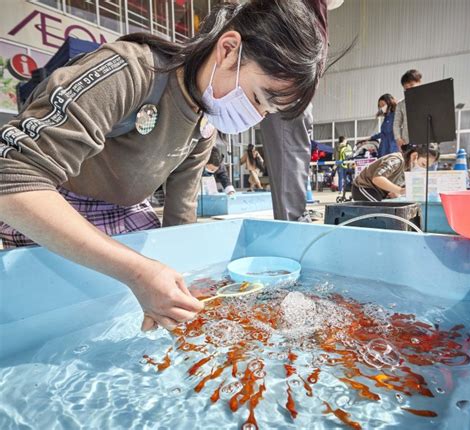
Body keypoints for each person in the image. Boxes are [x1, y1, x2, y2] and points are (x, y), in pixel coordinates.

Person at [0, 0, 329, 332]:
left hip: (124, 210)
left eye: (266, 112)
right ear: (228, 50)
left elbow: (180, 218)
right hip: (51, 203)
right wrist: (139, 273)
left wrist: (182, 281)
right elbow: (11, 179)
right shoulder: (131, 71)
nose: (255, 117)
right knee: (66, 321)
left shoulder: (204, 124)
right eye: (259, 98)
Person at [352, 143, 440, 202]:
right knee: (380, 211)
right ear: (414, 156)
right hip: (364, 187)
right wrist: (400, 190)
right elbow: (377, 178)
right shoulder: (397, 160)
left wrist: (396, 191)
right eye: (423, 164)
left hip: (380, 192)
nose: (422, 168)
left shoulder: (409, 168)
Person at [393, 69, 423, 149]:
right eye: (406, 87)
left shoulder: (428, 100)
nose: (409, 89)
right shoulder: (401, 104)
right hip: (407, 142)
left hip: (426, 140)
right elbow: (397, 123)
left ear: (419, 83)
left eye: (412, 85)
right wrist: (398, 138)